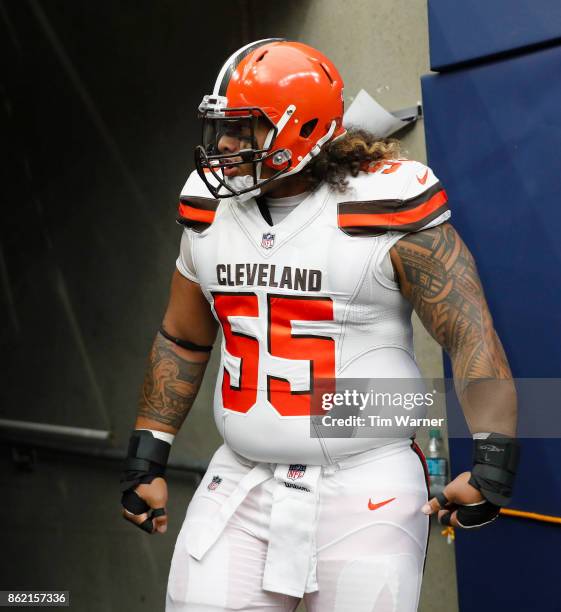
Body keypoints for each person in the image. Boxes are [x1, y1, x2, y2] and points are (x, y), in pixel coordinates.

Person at [120, 39, 519, 611]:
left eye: (242, 130)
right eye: (221, 129)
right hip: (241, 479)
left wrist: (493, 456)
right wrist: (147, 454)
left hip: (365, 484)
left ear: (298, 130)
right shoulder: (208, 210)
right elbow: (182, 337)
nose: (224, 147)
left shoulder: (383, 202)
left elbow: (468, 330)